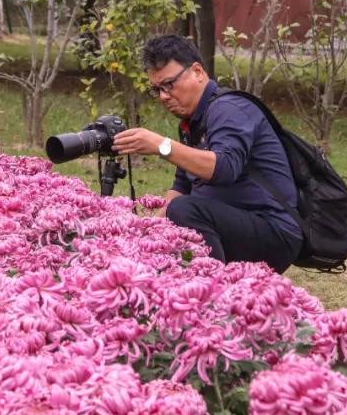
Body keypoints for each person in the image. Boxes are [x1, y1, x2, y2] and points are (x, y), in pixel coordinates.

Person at [111, 34, 303, 272]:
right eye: (157, 90)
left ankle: (213, 293)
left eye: (169, 84)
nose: (163, 96)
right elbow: (181, 187)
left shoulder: (229, 109)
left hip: (273, 232)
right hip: (234, 223)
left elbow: (224, 167)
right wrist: (146, 231)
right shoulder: (193, 121)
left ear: (198, 72)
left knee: (184, 210)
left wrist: (162, 145)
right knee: (178, 209)